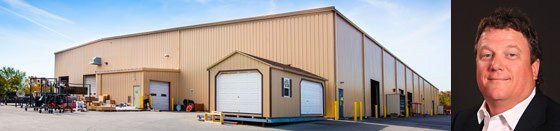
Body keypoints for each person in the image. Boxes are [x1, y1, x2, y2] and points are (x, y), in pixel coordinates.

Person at [452, 7, 560, 131]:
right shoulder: (460, 122)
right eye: (487, 55)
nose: (496, 65)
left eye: (511, 55)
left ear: (534, 68)